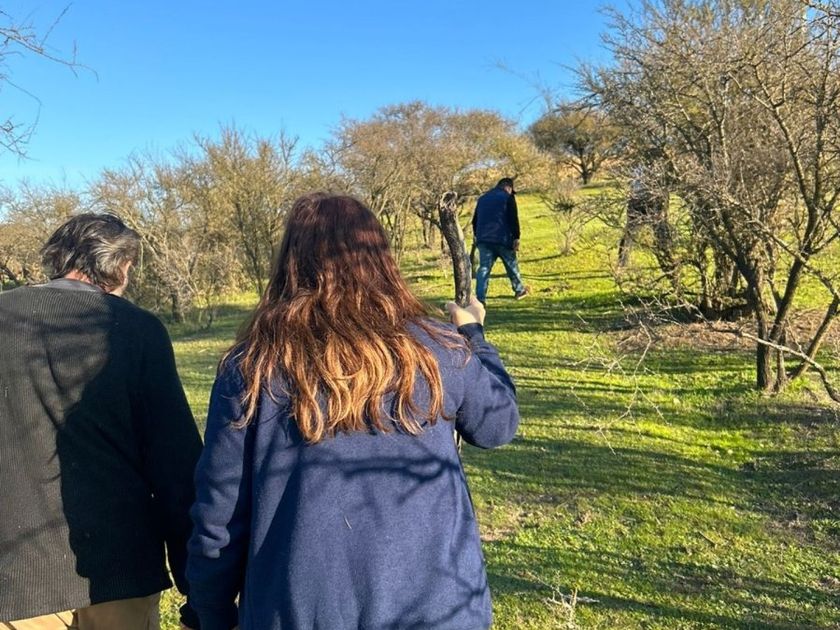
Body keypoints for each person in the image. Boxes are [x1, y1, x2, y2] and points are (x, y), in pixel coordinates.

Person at [186, 193, 520, 630]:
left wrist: (209, 613)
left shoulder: (253, 366)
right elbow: (499, 423)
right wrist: (473, 334)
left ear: (290, 263)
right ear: (379, 258)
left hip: (299, 611)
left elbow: (220, 513)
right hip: (439, 607)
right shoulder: (438, 347)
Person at [0, 214, 202, 630]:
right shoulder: (137, 330)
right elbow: (176, 466)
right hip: (119, 570)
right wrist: (198, 589)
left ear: (57, 257)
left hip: (16, 575)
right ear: (122, 266)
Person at [472, 177, 529, 304]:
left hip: (483, 239)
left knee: (484, 268)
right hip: (503, 238)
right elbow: (513, 218)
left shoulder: (482, 198)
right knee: (511, 265)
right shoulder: (508, 197)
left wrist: (477, 236)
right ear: (508, 187)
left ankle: (480, 298)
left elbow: (475, 220)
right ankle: (519, 290)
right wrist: (516, 237)